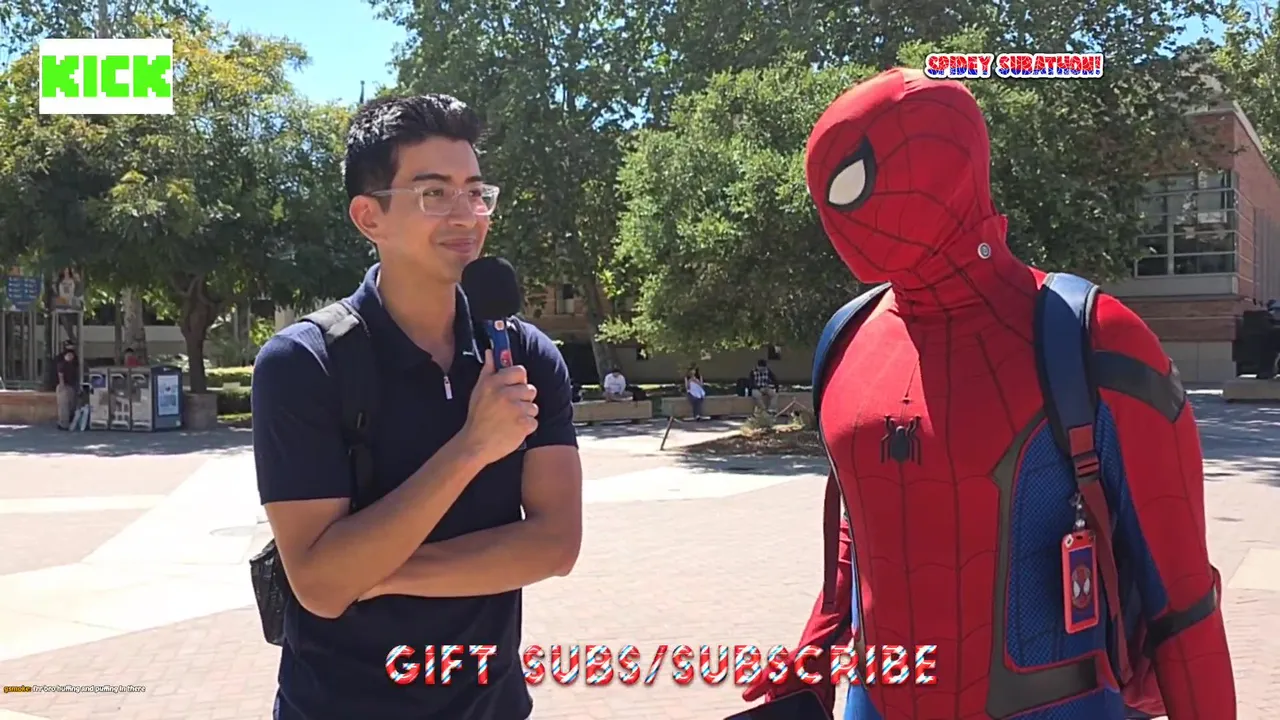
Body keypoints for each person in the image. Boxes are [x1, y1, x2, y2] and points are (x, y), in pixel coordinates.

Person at [744, 70, 1234, 718]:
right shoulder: (846, 341)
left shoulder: (1093, 340)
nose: (837, 210)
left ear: (944, 159)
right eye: (823, 190)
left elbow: (1185, 605)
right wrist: (815, 652)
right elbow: (855, 538)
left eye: (852, 180)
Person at [252, 94, 583, 720]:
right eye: (434, 193)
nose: (466, 215)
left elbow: (554, 545)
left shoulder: (524, 356)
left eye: (476, 192)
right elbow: (320, 587)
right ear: (368, 216)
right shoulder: (304, 364)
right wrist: (471, 448)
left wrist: (381, 573)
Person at [54, 347, 78, 430]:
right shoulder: (62, 364)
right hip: (63, 386)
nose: (70, 357)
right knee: (63, 406)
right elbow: (60, 375)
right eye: (68, 355)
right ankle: (63, 424)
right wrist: (62, 386)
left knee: (71, 405)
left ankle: (68, 422)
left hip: (71, 386)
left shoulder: (74, 364)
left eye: (71, 355)